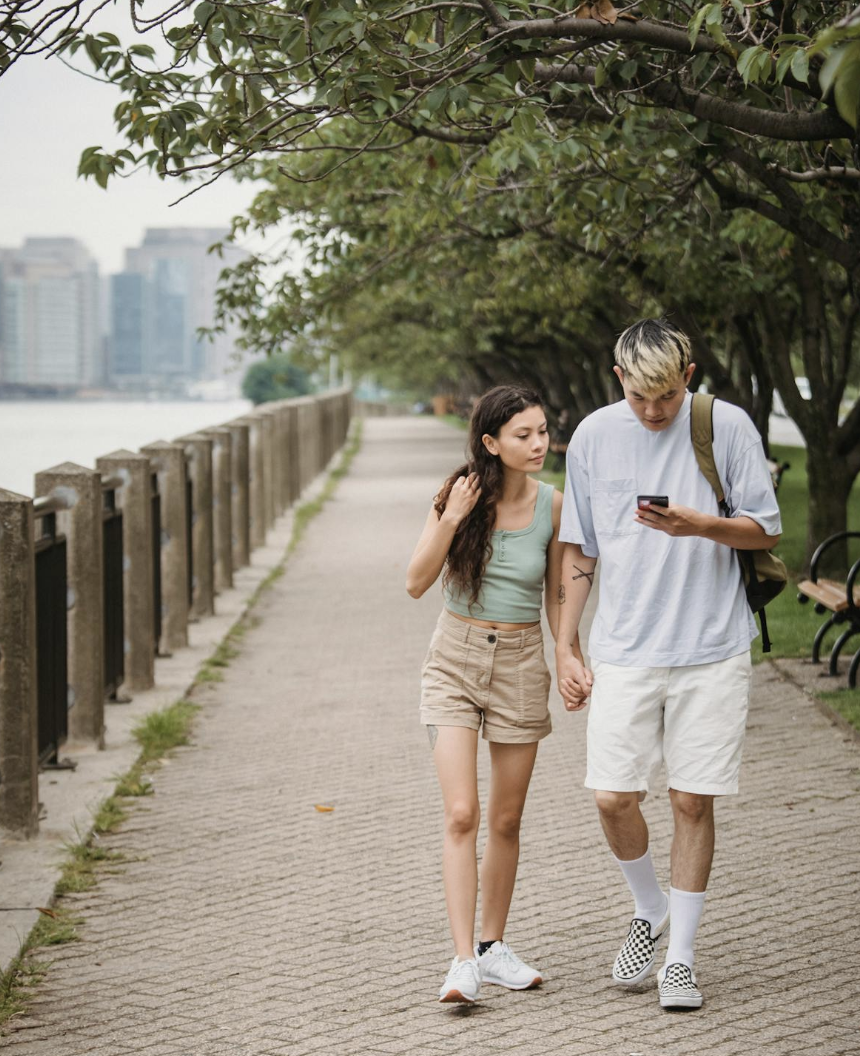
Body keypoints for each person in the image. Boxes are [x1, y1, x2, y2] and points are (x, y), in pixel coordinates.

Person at [554, 318, 782, 1011]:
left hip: (711, 646)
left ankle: (679, 958)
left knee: (691, 798)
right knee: (612, 795)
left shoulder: (727, 425)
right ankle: (648, 908)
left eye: (666, 397)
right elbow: (580, 549)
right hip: (624, 647)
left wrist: (701, 525)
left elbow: (766, 527)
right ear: (618, 378)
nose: (653, 413)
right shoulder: (594, 434)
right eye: (639, 398)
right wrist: (566, 644)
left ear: (689, 375)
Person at [406, 385, 569, 1004]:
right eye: (523, 434)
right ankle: (460, 962)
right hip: (454, 659)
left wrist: (569, 654)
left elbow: (558, 592)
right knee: (461, 814)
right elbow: (416, 582)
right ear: (490, 443)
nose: (537, 444)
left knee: (505, 817)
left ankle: (492, 948)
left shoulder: (554, 504)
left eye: (543, 431)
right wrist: (450, 519)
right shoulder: (458, 495)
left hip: (522, 663)